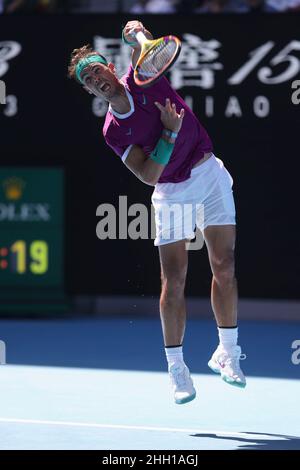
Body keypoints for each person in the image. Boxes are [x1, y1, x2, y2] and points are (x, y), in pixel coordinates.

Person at [68, 20, 246, 405]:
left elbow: (138, 45)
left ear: (111, 70)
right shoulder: (113, 131)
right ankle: (177, 368)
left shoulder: (142, 77)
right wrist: (168, 133)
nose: (95, 77)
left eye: (97, 69)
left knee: (225, 263)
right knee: (174, 280)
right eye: (88, 78)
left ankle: (227, 351)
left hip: (208, 172)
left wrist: (136, 32)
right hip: (170, 192)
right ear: (88, 91)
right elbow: (149, 175)